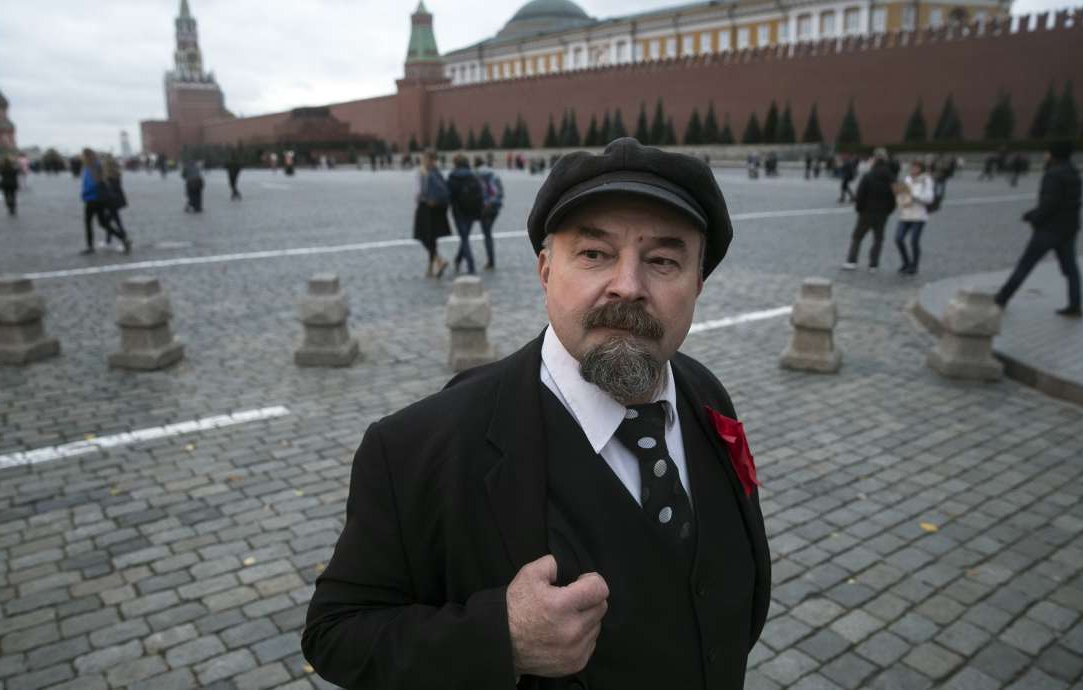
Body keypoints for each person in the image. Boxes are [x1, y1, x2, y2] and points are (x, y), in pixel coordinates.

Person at [303, 137, 770, 690]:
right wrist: (499, 639)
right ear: (546, 271)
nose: (628, 285)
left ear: (698, 284)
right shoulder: (417, 447)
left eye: (664, 260)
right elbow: (336, 633)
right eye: (594, 254)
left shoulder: (707, 395)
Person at [994, 141, 1083, 317]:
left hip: (1049, 229)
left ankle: (1002, 298)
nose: (1045, 155)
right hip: (1069, 228)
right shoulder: (1075, 173)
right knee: (1071, 269)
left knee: (1025, 265)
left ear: (1053, 154)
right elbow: (1068, 202)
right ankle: (1076, 305)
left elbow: (1049, 204)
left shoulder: (1053, 174)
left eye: (1047, 152)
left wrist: (1033, 217)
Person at [842, 148, 897, 272]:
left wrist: (859, 208)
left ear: (875, 160)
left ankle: (851, 261)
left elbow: (860, 194)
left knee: (857, 237)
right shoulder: (891, 177)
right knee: (878, 239)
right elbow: (896, 196)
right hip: (882, 213)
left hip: (866, 211)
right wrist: (889, 210)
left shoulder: (868, 175)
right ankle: (873, 265)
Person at [79, 148, 129, 254]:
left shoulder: (93, 166)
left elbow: (95, 182)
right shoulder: (94, 165)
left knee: (90, 222)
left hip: (93, 198)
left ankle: (90, 246)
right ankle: (122, 238)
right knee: (103, 222)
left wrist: (85, 193)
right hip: (98, 198)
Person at [413, 151, 451, 277]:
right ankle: (431, 268)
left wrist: (418, 199)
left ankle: (439, 260)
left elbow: (419, 192)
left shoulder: (422, 172)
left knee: (422, 236)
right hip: (437, 208)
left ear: (426, 159)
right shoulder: (437, 171)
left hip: (425, 206)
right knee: (432, 237)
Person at [894, 160, 935, 275]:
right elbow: (902, 196)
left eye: (915, 168)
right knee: (898, 239)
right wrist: (900, 196)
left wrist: (914, 196)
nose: (913, 170)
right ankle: (906, 262)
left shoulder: (926, 180)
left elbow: (929, 198)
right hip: (905, 214)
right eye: (912, 167)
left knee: (914, 241)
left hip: (919, 216)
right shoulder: (907, 179)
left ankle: (914, 266)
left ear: (920, 169)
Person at [446, 155, 484, 275]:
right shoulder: (473, 176)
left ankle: (471, 265)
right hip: (472, 212)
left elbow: (449, 196)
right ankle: (458, 260)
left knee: (464, 238)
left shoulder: (452, 177)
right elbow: (480, 193)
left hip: (459, 213)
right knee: (465, 237)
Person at [475, 156, 504, 270]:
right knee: (488, 233)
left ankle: (491, 261)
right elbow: (500, 192)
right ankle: (491, 260)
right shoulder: (494, 174)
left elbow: (477, 192)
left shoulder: (477, 175)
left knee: (487, 234)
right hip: (495, 208)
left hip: (484, 208)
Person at [101, 156, 131, 247]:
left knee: (109, 221)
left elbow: (110, 190)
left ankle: (124, 239)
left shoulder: (108, 176)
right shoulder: (116, 174)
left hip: (111, 201)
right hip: (117, 200)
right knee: (112, 221)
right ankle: (109, 240)